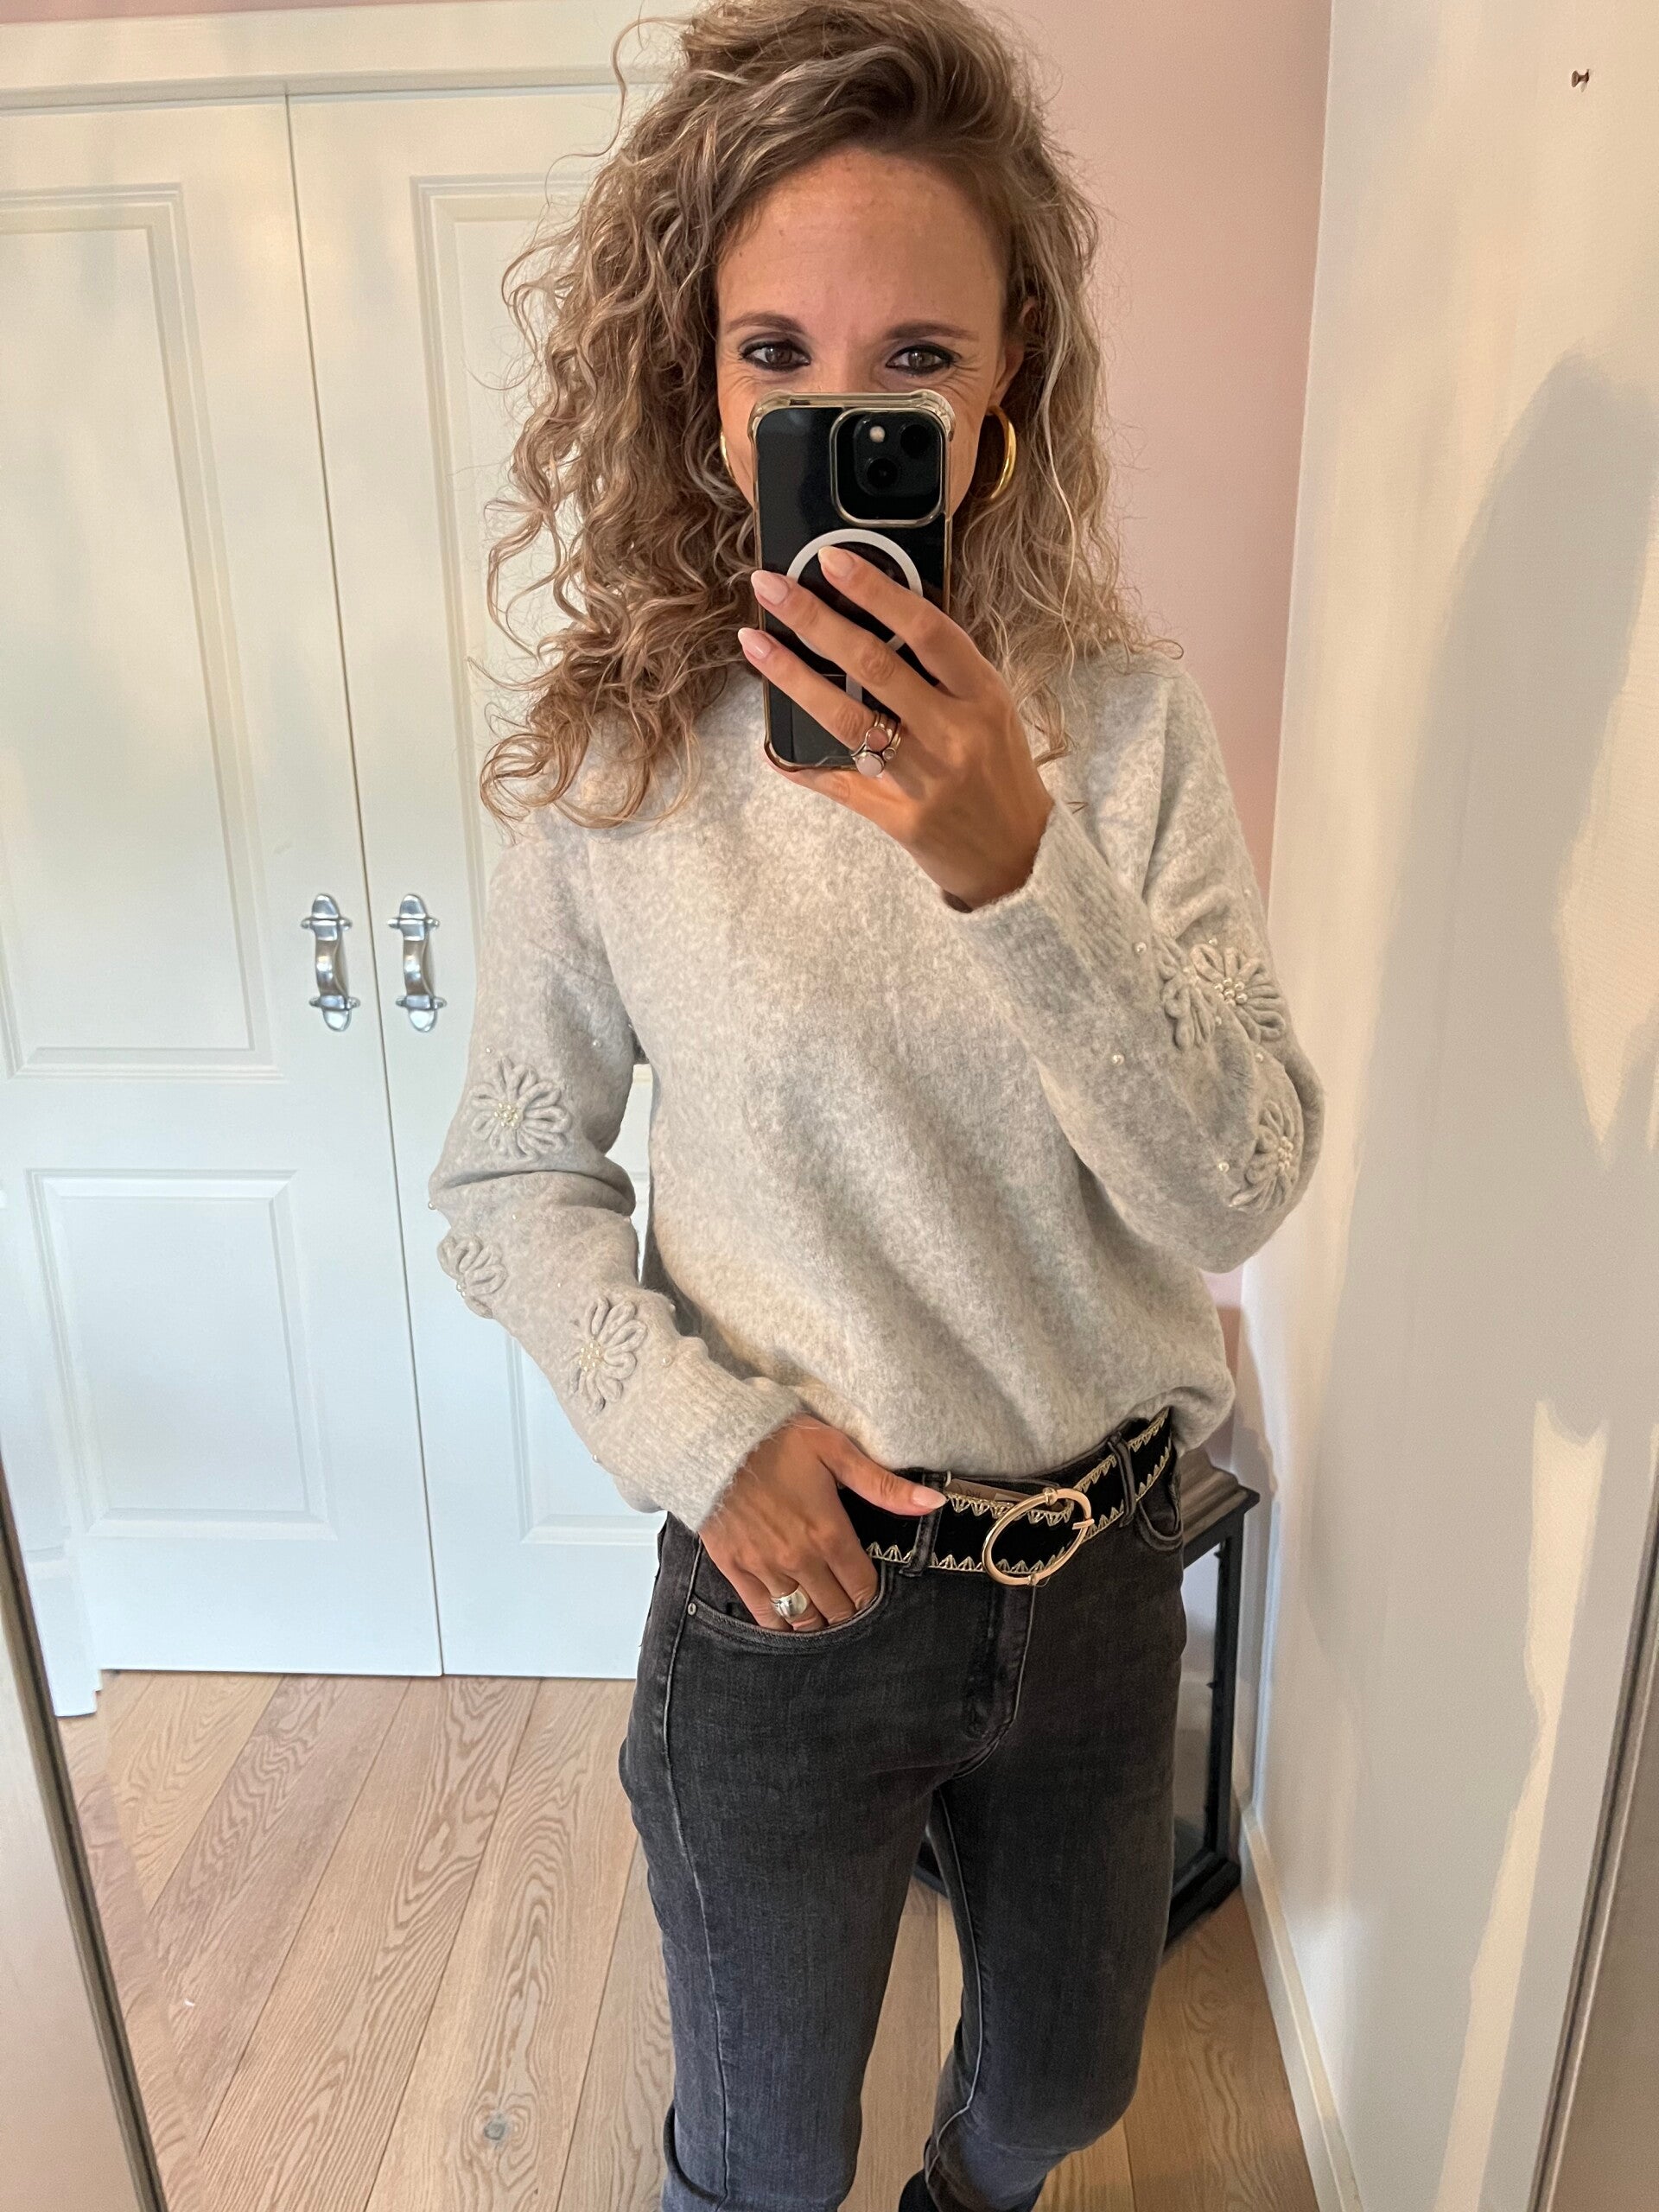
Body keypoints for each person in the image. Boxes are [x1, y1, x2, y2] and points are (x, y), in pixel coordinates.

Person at [428, 2, 1324, 2206]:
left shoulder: (1119, 732)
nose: (843, 412)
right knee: (759, 2157)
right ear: (705, 390)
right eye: (778, 356)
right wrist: (699, 1434)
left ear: (1006, 385)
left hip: (1100, 1572)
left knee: (1053, 2102)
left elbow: (1239, 1180)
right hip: (788, 1591)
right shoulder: (621, 757)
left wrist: (1018, 865)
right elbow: (513, 1174)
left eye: (915, 360)